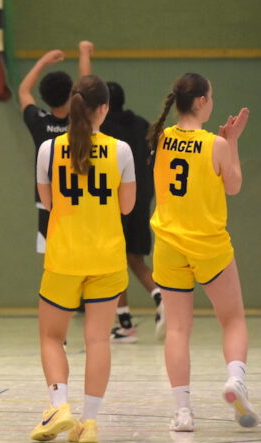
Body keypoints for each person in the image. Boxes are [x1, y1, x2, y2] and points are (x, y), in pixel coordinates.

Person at [147, 73, 258, 431]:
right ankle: (235, 380)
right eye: (210, 96)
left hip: (168, 245)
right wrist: (233, 142)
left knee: (178, 330)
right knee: (233, 319)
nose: (212, 101)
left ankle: (182, 412)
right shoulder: (216, 144)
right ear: (200, 102)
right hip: (208, 245)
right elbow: (234, 185)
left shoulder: (161, 139)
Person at [30, 75, 135, 443]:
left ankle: (60, 405)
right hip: (107, 257)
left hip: (63, 256)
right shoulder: (121, 150)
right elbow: (127, 206)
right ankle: (88, 423)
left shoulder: (48, 149)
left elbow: (50, 203)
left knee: (51, 336)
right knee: (98, 341)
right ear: (103, 109)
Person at [99, 81, 164, 342]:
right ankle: (161, 297)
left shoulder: (102, 128)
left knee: (114, 260)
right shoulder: (142, 124)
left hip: (117, 199)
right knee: (135, 258)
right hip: (143, 196)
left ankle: (125, 323)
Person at [19, 41, 93, 254]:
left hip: (48, 204)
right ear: (72, 95)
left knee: (54, 264)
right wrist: (84, 53)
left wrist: (42, 62)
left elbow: (24, 91)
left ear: (43, 96)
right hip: (79, 202)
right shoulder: (80, 122)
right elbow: (87, 86)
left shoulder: (39, 122)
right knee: (81, 259)